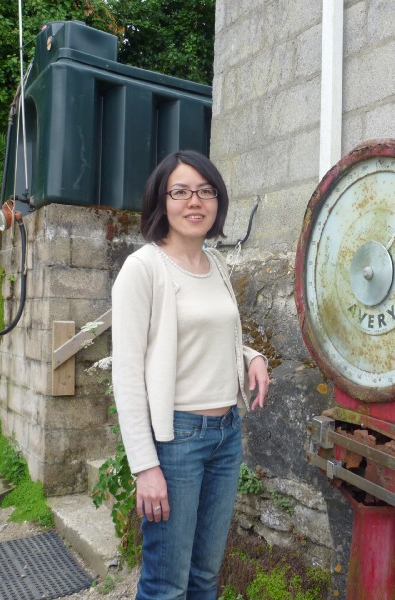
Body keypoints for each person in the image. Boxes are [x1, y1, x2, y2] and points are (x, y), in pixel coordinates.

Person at [111, 150, 270, 600]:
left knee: (204, 577)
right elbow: (127, 373)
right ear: (161, 201)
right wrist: (145, 467)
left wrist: (251, 356)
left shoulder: (216, 264)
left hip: (226, 435)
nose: (194, 201)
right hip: (176, 441)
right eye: (180, 192)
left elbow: (211, 334)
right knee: (166, 585)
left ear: (218, 201)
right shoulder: (143, 269)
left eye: (205, 191)